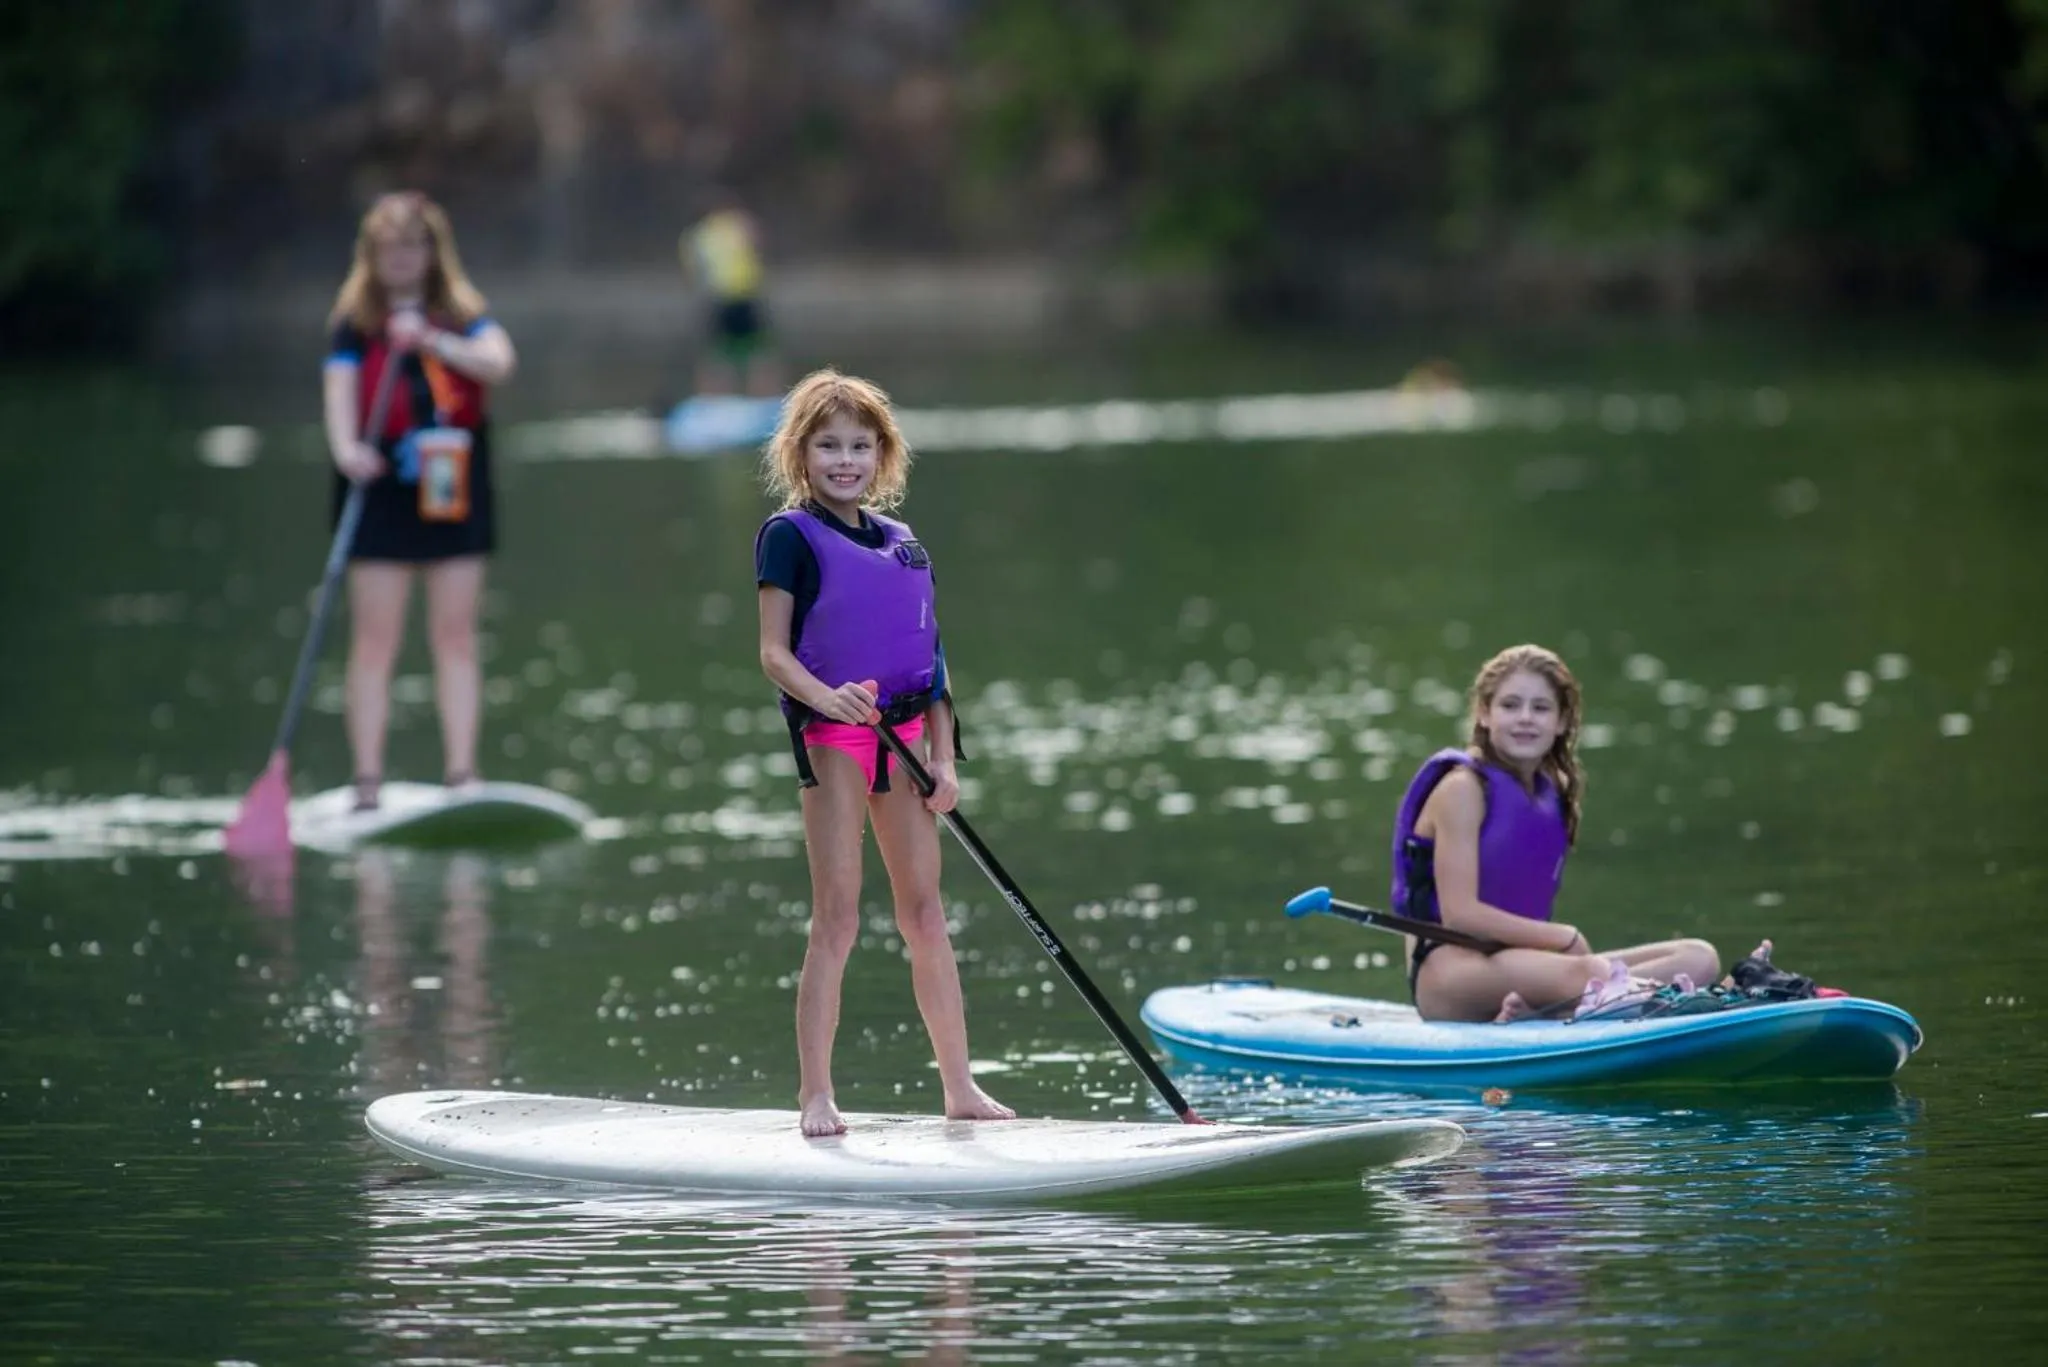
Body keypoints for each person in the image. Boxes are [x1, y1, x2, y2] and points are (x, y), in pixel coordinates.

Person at [754, 368, 1013, 1137]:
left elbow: (931, 663)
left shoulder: (904, 545)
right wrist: (825, 697)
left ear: (882, 454)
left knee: (926, 913)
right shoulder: (787, 538)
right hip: (836, 734)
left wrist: (945, 759)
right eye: (828, 445)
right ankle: (816, 1095)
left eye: (859, 446)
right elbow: (772, 652)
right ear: (801, 453)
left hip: (904, 741)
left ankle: (960, 1086)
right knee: (836, 916)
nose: (844, 460)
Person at [1391, 644, 1722, 1022]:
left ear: (1563, 721)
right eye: (1510, 705)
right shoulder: (1462, 790)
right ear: (1484, 713)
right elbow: (1460, 916)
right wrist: (1563, 938)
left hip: (1524, 963)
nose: (1525, 718)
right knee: (1592, 972)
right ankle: (1619, 1002)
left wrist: (1559, 947)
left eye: (1541, 708)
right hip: (1450, 974)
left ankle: (1547, 1010)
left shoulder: (1553, 791)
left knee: (1697, 957)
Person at [324, 191, 517, 811]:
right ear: (372, 255)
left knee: (455, 635)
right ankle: (367, 781)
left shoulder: (463, 314)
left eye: (412, 245)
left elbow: (497, 363)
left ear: (432, 252)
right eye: (389, 247)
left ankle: (462, 773)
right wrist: (348, 449)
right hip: (380, 487)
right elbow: (338, 393)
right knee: (374, 639)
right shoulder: (354, 320)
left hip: (451, 486)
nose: (402, 258)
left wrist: (433, 341)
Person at [683, 188, 778, 397]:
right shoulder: (741, 225)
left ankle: (716, 398)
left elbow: (693, 274)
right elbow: (760, 247)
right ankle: (762, 396)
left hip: (719, 301)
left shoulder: (697, 235)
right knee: (758, 352)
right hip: (745, 297)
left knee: (718, 355)